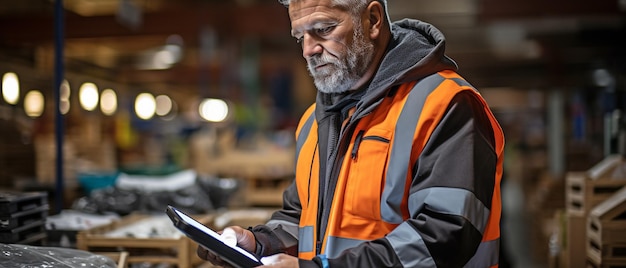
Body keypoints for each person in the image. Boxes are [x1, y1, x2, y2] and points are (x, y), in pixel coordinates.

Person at [197, 0, 505, 267]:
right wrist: (258, 242)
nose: (308, 50)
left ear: (372, 20)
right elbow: (302, 217)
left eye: (323, 29)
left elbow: (444, 238)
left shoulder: (446, 105)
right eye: (300, 36)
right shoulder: (313, 123)